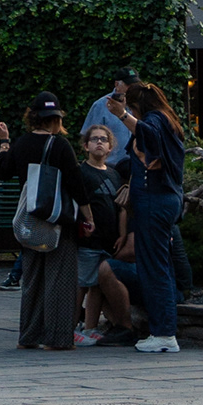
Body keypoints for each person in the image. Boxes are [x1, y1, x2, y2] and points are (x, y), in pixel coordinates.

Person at [0, 92, 95, 351]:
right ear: (56, 119)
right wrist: (88, 216)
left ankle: (29, 335)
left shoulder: (21, 143)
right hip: (59, 221)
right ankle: (58, 337)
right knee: (59, 279)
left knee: (33, 279)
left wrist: (4, 142)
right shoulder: (61, 146)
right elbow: (76, 183)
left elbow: (2, 171)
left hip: (31, 219)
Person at [117, 78, 187, 354]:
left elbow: (148, 137)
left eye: (132, 108)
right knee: (160, 265)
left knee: (154, 268)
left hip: (154, 201)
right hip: (164, 200)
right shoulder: (167, 119)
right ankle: (163, 330)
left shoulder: (154, 122)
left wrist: (121, 115)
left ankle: (164, 333)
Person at [73, 120, 129, 344]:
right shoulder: (80, 172)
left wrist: (122, 234)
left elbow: (120, 207)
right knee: (82, 284)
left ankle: (90, 327)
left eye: (103, 140)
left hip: (109, 241)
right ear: (85, 146)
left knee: (97, 285)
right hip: (88, 240)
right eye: (94, 139)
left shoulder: (114, 175)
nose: (99, 143)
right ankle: (70, 326)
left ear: (110, 147)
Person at [80, 69, 138, 158]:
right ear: (116, 84)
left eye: (135, 85)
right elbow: (88, 137)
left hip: (136, 165)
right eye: (128, 85)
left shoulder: (140, 105)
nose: (133, 88)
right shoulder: (101, 106)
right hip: (110, 166)